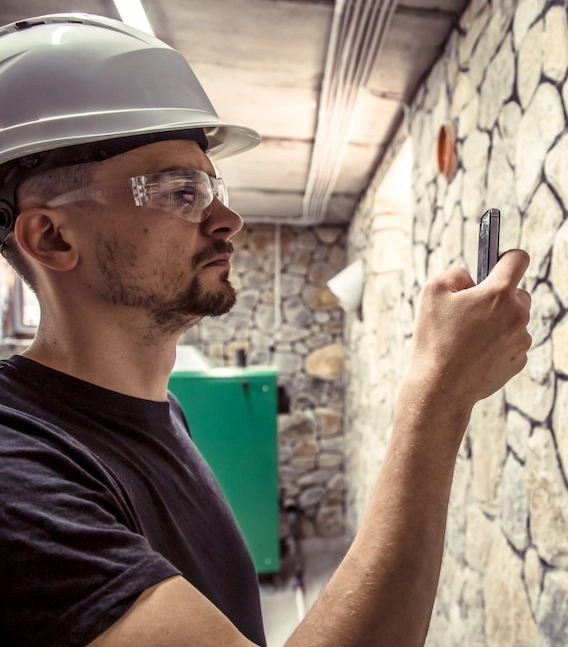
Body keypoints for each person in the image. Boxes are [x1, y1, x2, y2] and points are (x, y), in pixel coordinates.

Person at [0, 14, 531, 647]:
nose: (228, 218)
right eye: (178, 190)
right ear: (53, 237)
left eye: (211, 186)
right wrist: (438, 396)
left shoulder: (161, 413)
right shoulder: (18, 476)